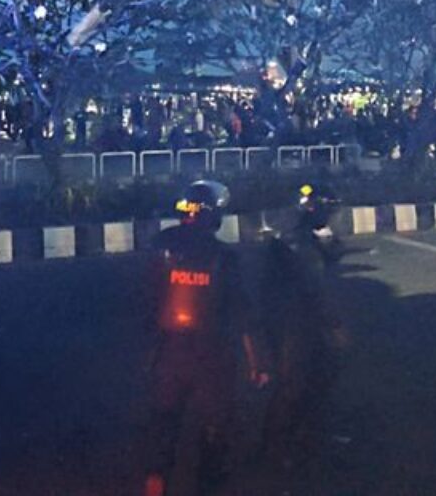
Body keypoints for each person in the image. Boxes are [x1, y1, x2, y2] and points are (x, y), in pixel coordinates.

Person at [144, 181, 266, 496]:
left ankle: (155, 481)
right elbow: (241, 313)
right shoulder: (223, 256)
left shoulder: (161, 246)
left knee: (164, 423)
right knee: (215, 428)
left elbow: (146, 298)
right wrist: (257, 363)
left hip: (168, 350)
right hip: (211, 354)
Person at [259, 183, 348, 474]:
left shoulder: (296, 235)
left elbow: (334, 255)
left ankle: (300, 439)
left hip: (290, 320)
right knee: (295, 385)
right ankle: (278, 447)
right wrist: (334, 324)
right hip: (296, 323)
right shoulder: (300, 243)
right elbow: (315, 287)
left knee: (312, 379)